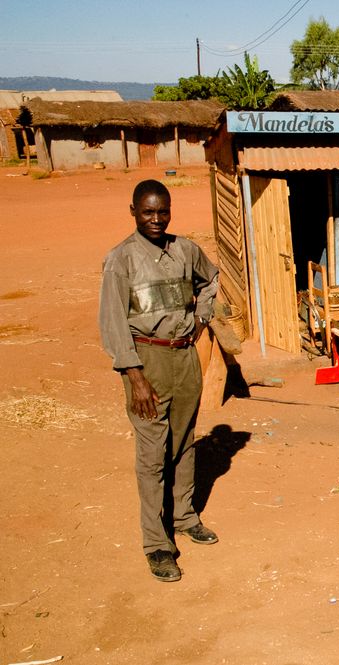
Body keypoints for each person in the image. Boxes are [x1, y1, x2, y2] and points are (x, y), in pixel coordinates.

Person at [99, 179, 220, 582]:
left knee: (184, 441)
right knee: (153, 455)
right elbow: (113, 322)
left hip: (184, 357)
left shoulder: (185, 250)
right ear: (133, 211)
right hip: (145, 362)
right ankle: (157, 544)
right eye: (148, 212)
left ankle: (184, 516)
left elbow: (211, 278)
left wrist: (201, 317)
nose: (156, 219)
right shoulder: (121, 259)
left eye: (162, 211)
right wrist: (134, 376)